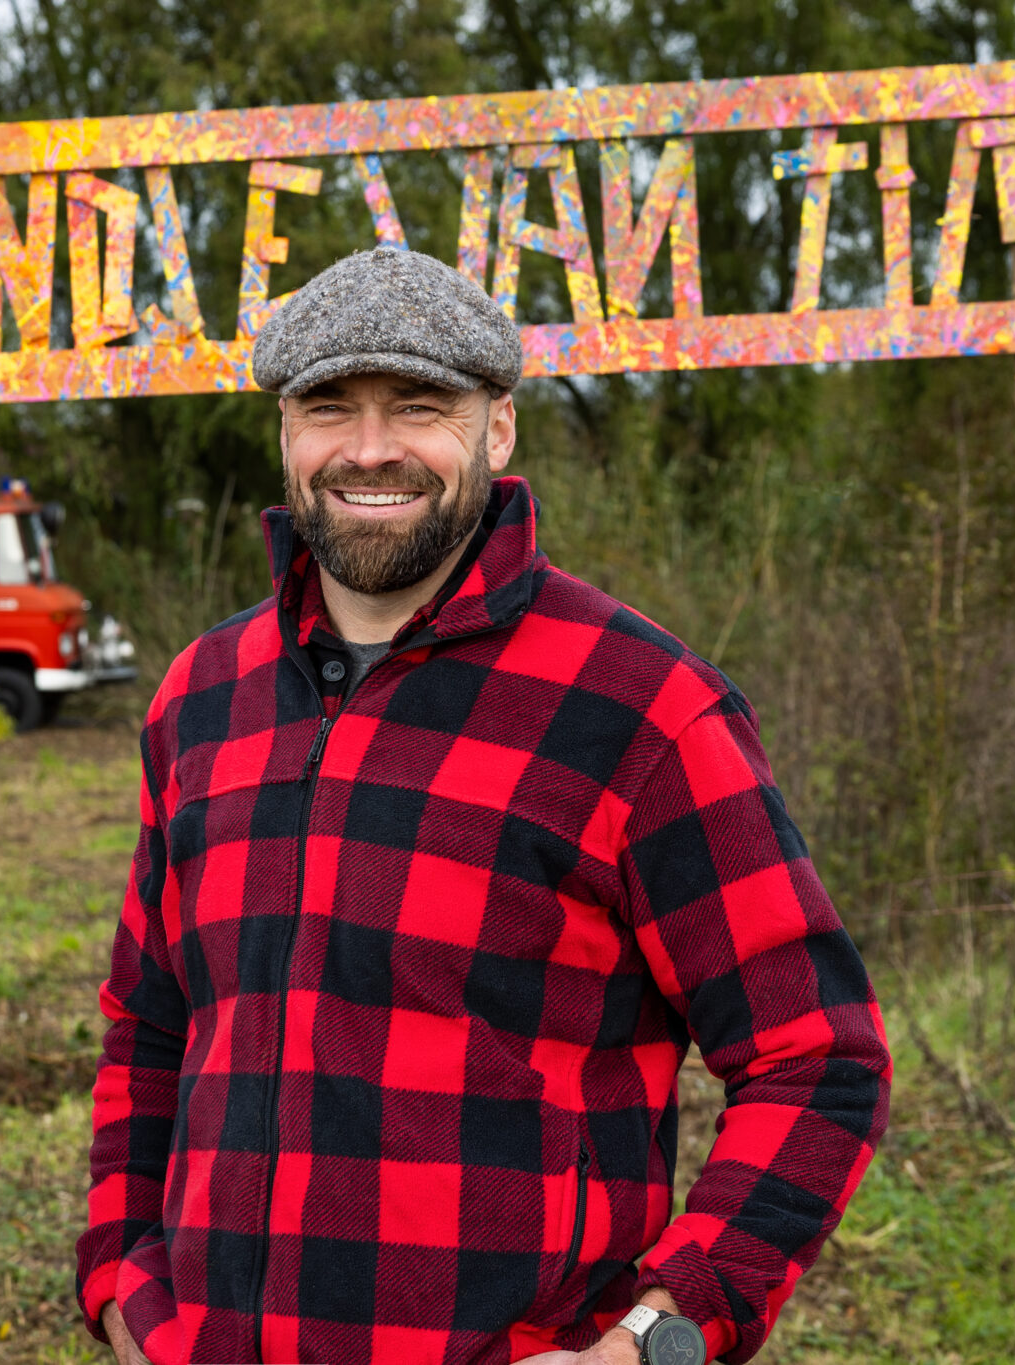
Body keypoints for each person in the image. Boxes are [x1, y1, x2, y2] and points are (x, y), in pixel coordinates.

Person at [75, 247, 891, 1365]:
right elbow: (151, 1022)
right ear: (282, 433)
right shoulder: (199, 696)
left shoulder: (639, 707)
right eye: (327, 408)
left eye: (417, 407)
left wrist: (656, 1341)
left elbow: (816, 1058)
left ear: (495, 429)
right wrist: (123, 1284)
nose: (368, 449)